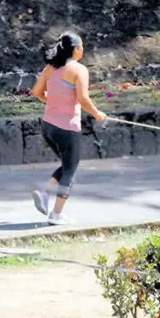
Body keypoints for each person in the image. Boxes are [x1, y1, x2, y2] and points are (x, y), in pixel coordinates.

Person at [30, 31, 107, 225]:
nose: (82, 49)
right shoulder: (79, 70)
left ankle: (45, 192)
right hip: (67, 128)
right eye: (81, 46)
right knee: (70, 171)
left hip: (48, 126)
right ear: (76, 49)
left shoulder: (50, 67)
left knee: (67, 164)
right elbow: (83, 99)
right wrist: (97, 114)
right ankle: (55, 214)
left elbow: (37, 92)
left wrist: (53, 101)